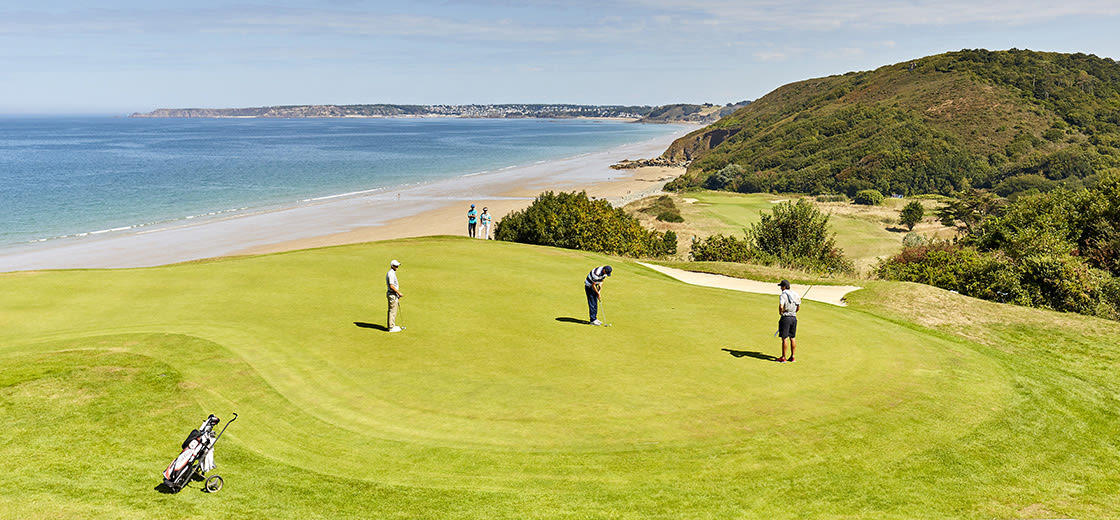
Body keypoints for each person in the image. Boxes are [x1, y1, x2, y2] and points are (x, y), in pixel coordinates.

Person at [777, 279, 800, 362]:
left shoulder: (783, 295)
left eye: (781, 287)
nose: (780, 288)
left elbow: (781, 306)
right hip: (794, 318)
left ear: (784, 287)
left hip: (786, 318)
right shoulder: (795, 294)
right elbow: (798, 307)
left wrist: (781, 312)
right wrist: (793, 312)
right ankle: (793, 357)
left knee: (784, 338)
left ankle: (783, 357)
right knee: (792, 337)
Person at [386, 260, 403, 333]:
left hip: (393, 294)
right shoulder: (391, 274)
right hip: (392, 294)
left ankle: (392, 325)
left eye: (397, 265)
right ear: (392, 265)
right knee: (392, 311)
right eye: (395, 266)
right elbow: (391, 286)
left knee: (393, 310)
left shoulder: (392, 272)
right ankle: (391, 327)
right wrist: (399, 293)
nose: (397, 267)